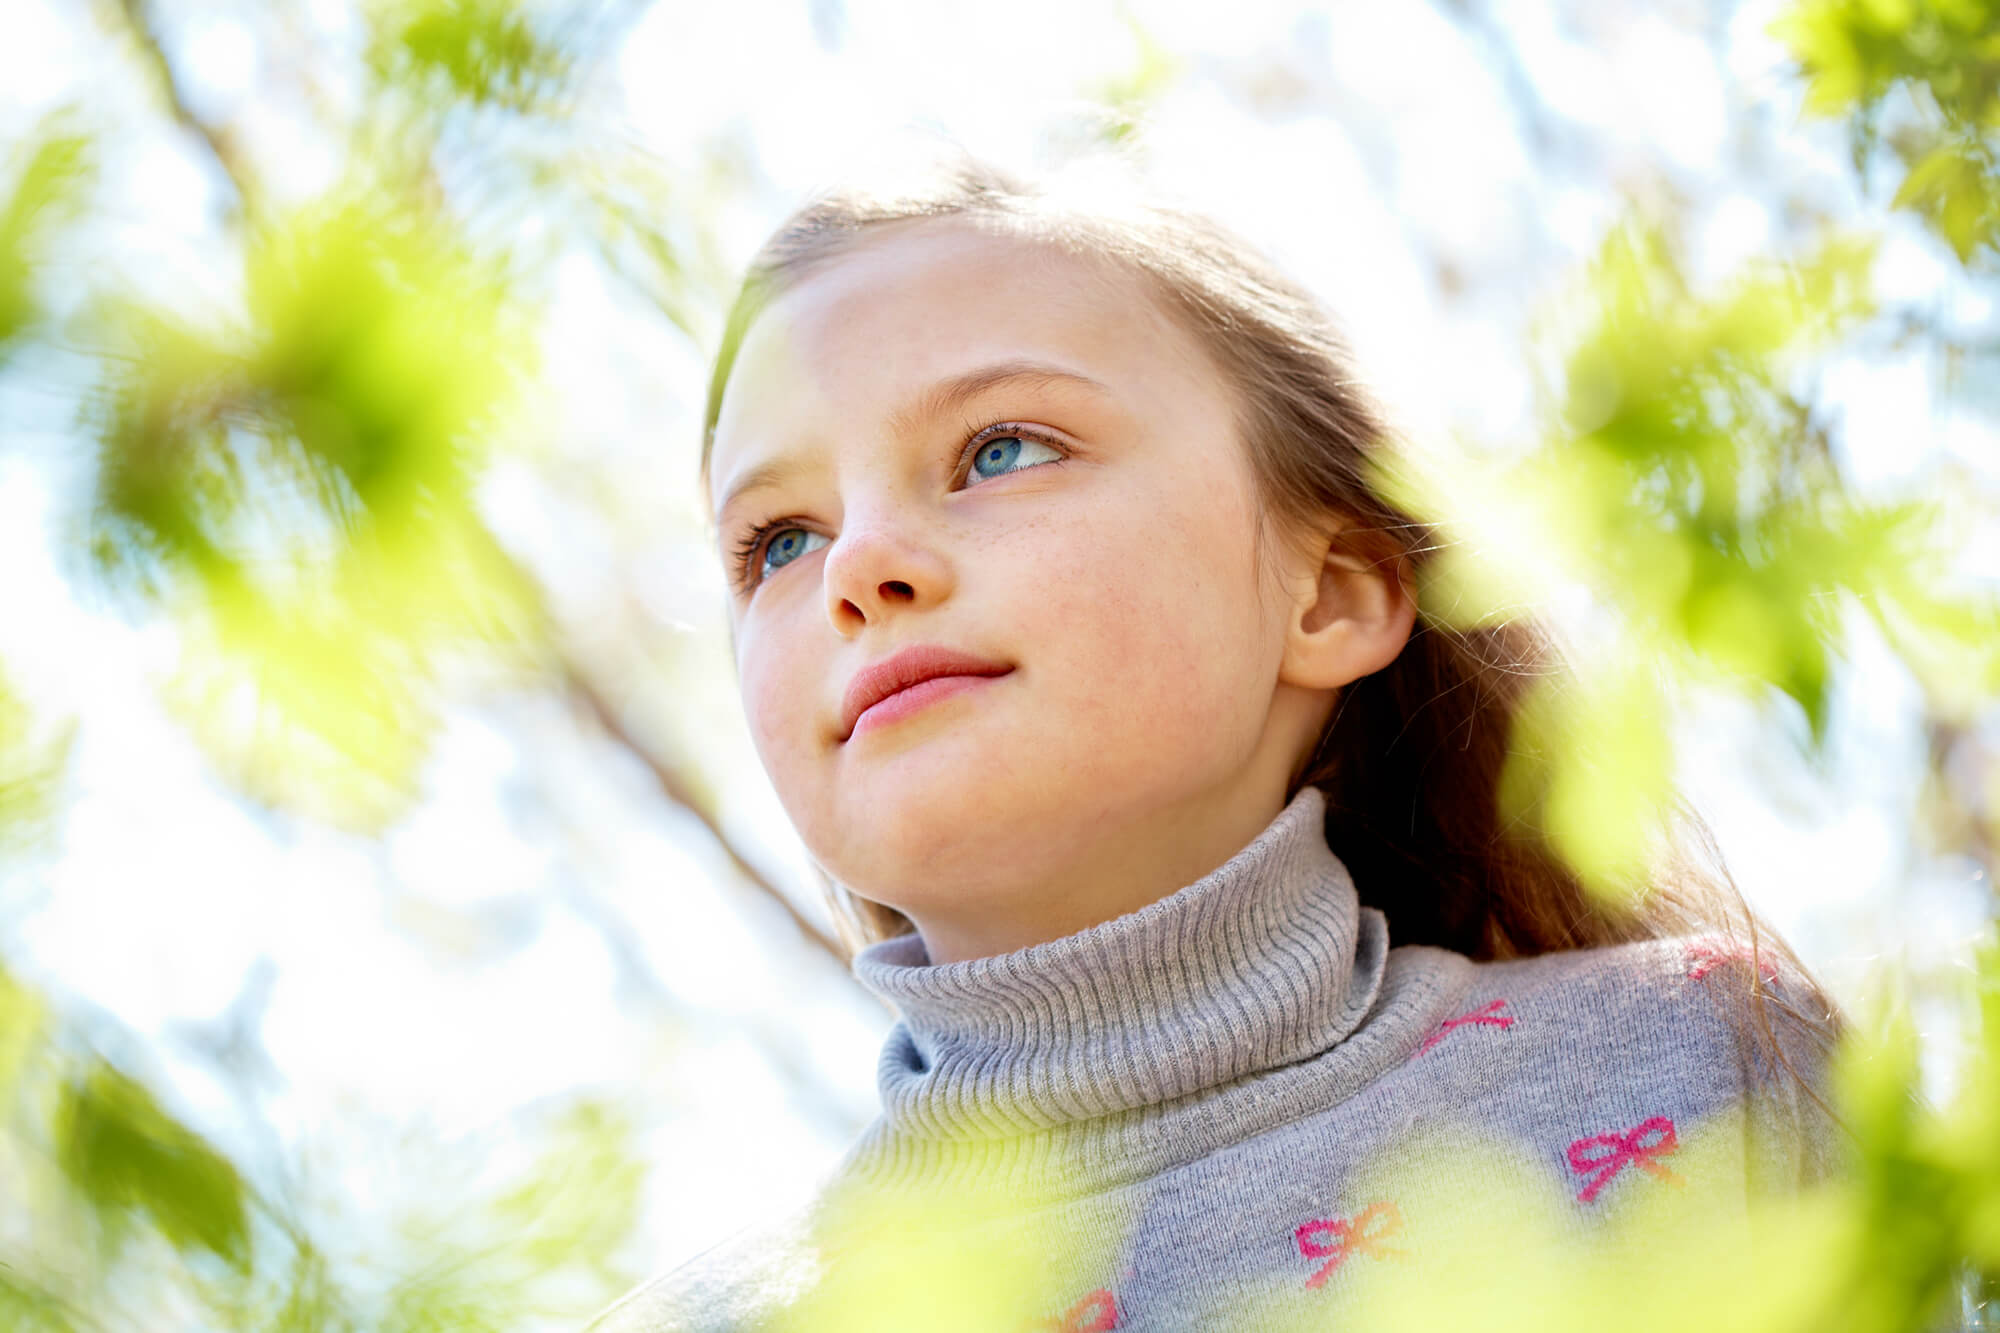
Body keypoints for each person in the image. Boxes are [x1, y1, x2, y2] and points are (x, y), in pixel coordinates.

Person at [582, 155, 1851, 1332]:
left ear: (1330, 593)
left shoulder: (1705, 1059)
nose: (856, 565)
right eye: (779, 542)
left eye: (999, 450)